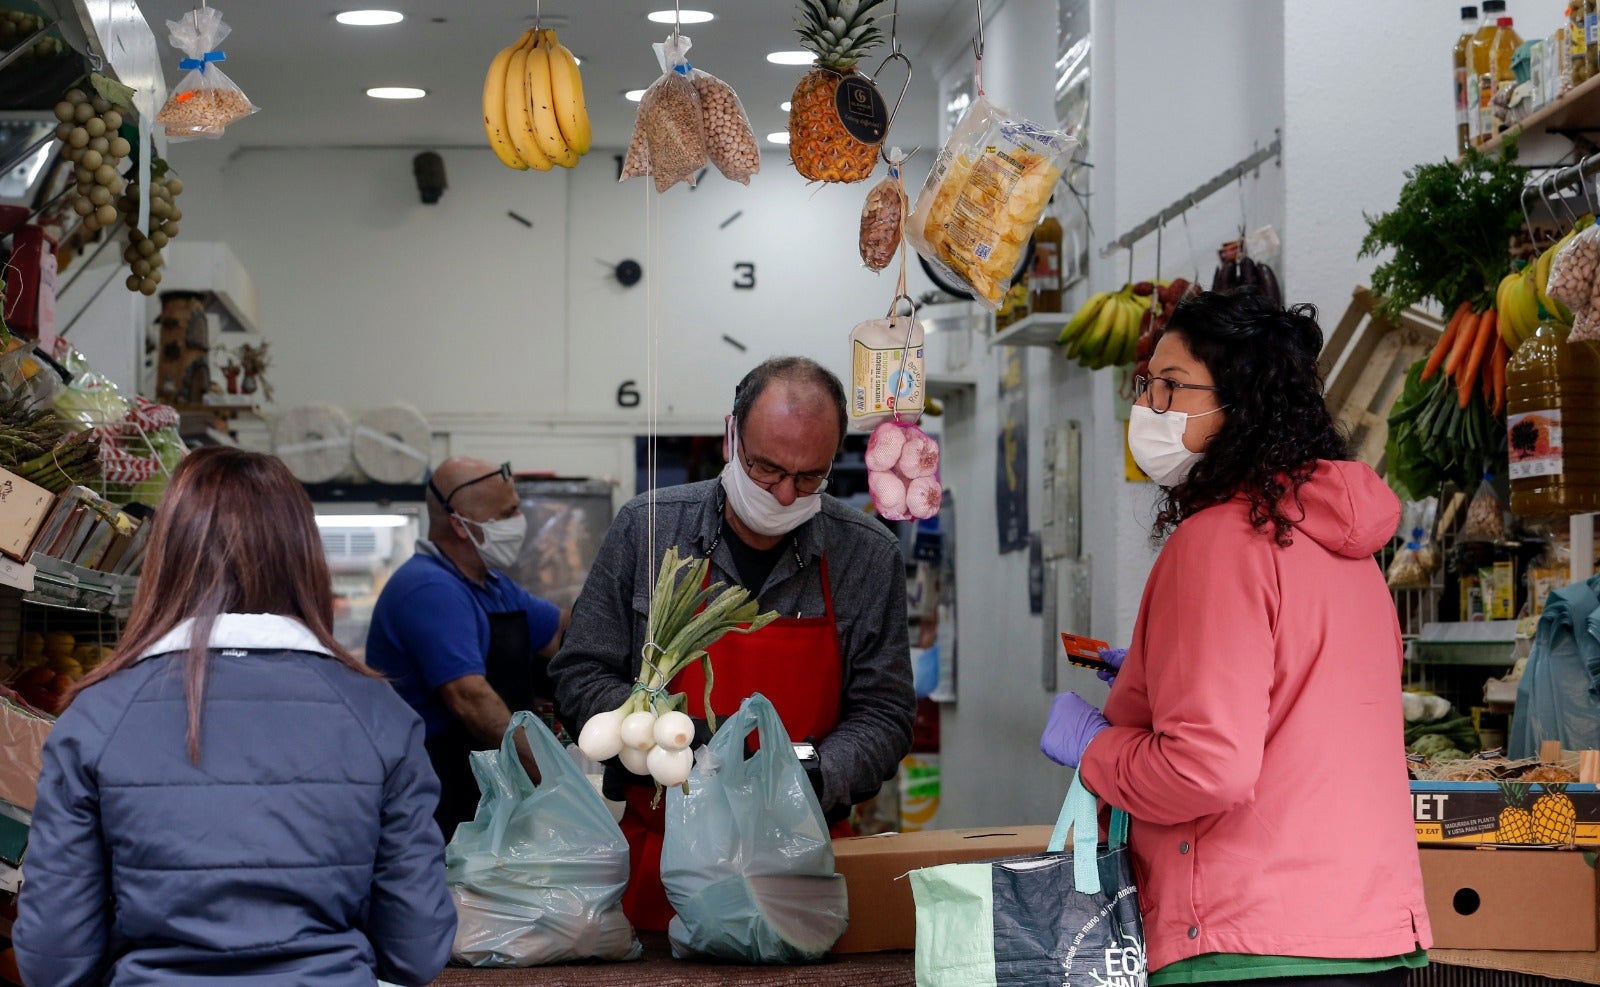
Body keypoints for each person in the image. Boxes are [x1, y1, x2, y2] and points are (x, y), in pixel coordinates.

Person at [1040, 289, 1432, 985]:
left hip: (1246, 943)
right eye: (1147, 384)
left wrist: (1096, 746)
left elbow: (1205, 770)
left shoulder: (1217, 542)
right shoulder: (1349, 548)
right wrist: (1158, 676)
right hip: (1367, 931)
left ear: (1243, 403)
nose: (1149, 405)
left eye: (1172, 385)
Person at [13, 447, 454, 987]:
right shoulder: (380, 716)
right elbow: (416, 950)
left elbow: (53, 961)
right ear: (304, 557)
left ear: (166, 559)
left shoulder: (97, 717)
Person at [550, 355, 916, 931]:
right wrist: (660, 735)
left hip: (800, 865)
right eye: (766, 469)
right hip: (659, 867)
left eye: (809, 477)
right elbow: (580, 671)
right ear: (732, 436)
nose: (785, 495)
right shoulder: (649, 529)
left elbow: (885, 713)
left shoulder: (866, 556)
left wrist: (809, 777)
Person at [366, 455, 566, 837]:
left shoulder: (493, 586)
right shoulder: (429, 588)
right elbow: (471, 700)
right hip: (438, 796)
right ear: (460, 525)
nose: (519, 521)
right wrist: (554, 780)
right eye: (507, 514)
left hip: (486, 788)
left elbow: (559, 634)